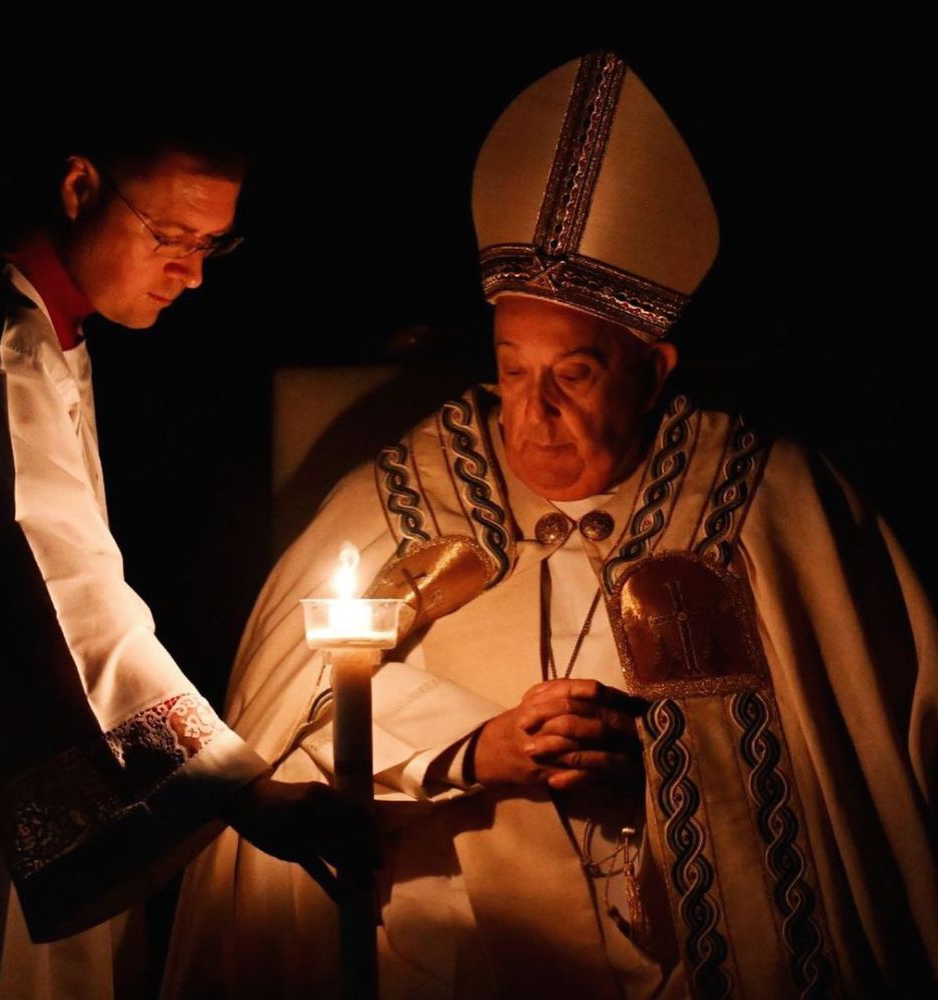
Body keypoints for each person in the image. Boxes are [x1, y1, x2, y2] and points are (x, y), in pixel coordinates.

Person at [165, 52, 938, 998]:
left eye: (573, 374)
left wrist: (656, 758)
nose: (533, 416)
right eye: (512, 369)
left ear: (653, 371)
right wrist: (470, 749)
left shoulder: (769, 504)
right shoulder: (405, 497)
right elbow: (289, 742)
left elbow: (858, 776)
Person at [0, 125, 373, 998]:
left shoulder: (49, 331)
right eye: (170, 237)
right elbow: (63, 595)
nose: (194, 273)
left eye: (212, 245)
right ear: (78, 188)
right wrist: (235, 790)